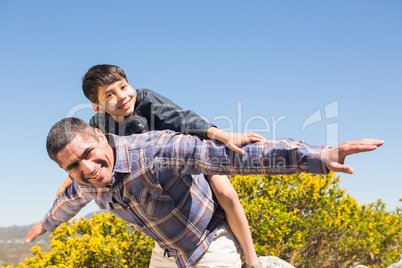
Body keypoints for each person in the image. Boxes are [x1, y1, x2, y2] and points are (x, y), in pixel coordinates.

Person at [26, 117, 383, 268]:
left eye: (89, 154)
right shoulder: (84, 182)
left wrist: (321, 156)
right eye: (73, 166)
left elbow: (235, 158)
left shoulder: (156, 152)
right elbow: (69, 201)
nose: (87, 168)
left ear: (101, 138)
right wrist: (46, 223)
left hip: (209, 242)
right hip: (166, 253)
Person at [54, 64, 264, 267]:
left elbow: (182, 118)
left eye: (124, 87)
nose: (122, 97)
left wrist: (221, 135)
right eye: (109, 95)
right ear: (97, 107)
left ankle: (251, 259)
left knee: (225, 192)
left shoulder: (146, 101)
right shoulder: (98, 125)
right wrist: (70, 180)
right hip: (159, 179)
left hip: (189, 154)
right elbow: (86, 153)